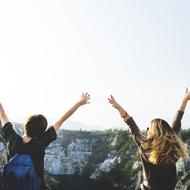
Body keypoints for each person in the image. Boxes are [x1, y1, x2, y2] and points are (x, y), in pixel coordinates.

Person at [0, 92, 90, 190]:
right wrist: (78, 104)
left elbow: (2, 114)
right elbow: (62, 119)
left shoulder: (12, 139)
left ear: (26, 125)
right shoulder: (40, 142)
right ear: (42, 131)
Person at [108, 89, 190, 190]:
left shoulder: (146, 147)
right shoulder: (171, 148)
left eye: (149, 128)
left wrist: (119, 108)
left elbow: (131, 123)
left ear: (156, 133)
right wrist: (184, 101)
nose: (147, 130)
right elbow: (177, 122)